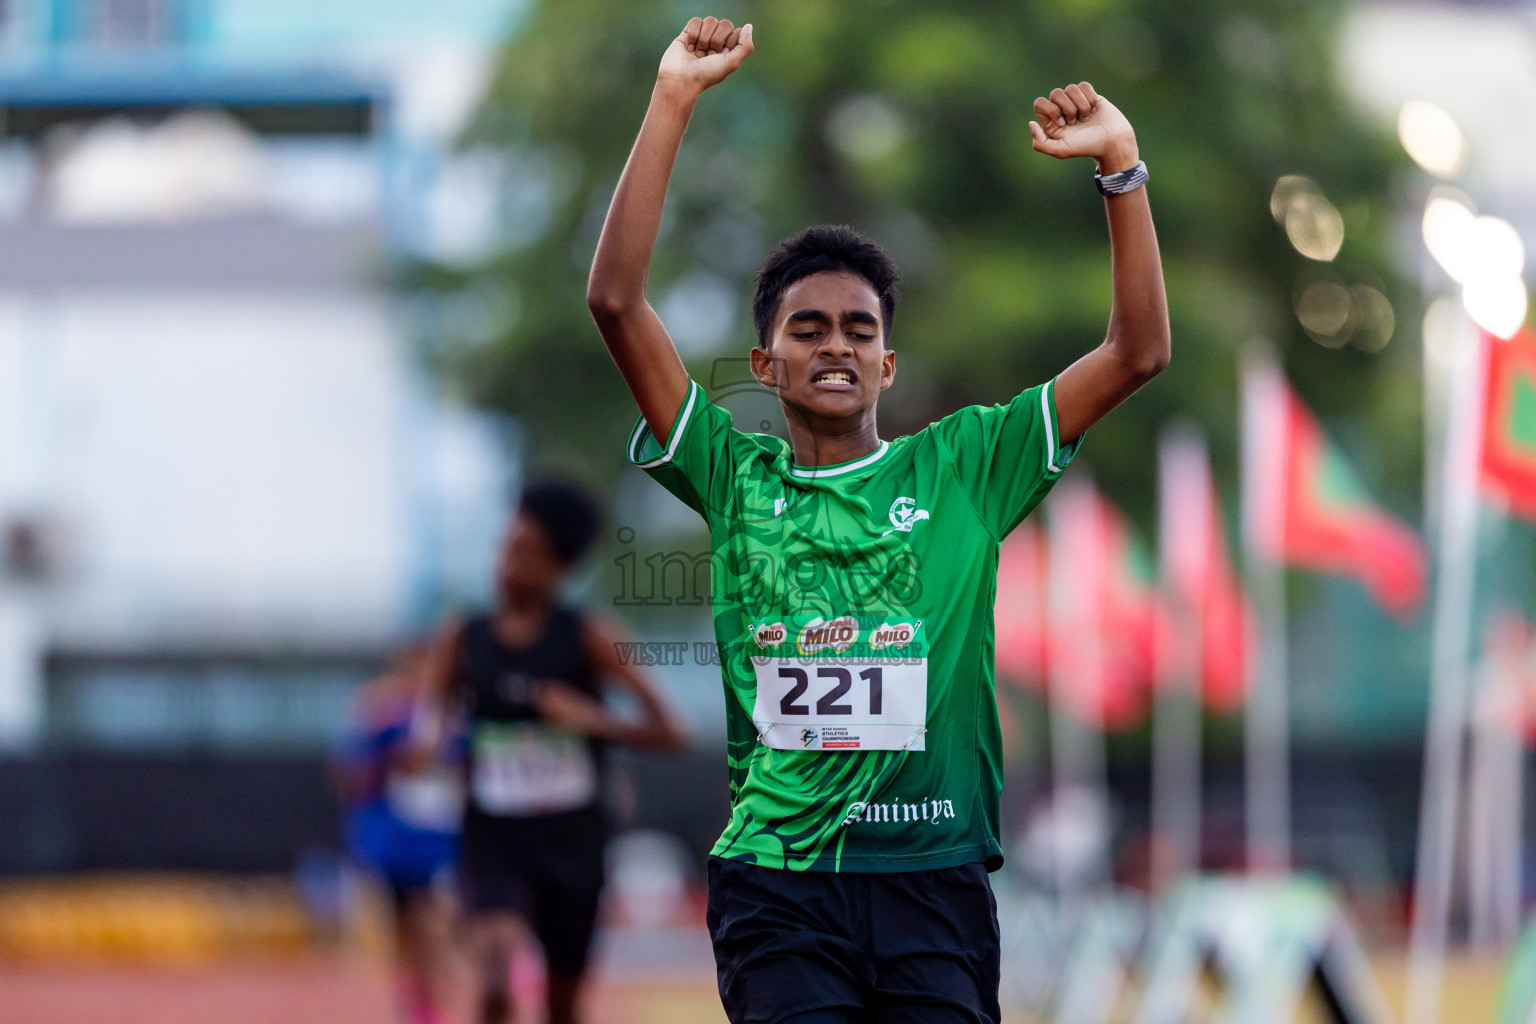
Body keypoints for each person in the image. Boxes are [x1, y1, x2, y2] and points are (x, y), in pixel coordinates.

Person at [586, 16, 1169, 1024]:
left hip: (931, 876)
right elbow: (614, 300)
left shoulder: (969, 464)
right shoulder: (731, 473)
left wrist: (1120, 167)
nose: (836, 345)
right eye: (805, 329)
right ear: (764, 367)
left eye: (860, 329)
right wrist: (672, 100)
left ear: (887, 364)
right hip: (779, 882)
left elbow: (1137, 352)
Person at [415, 480, 688, 1024]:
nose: (506, 563)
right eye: (505, 546)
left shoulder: (590, 636)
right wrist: (426, 746)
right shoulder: (461, 638)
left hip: (573, 841)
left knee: (562, 1004)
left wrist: (593, 720)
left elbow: (673, 733)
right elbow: (429, 721)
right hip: (493, 834)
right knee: (494, 972)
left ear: (560, 568)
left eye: (526, 553)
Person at [333, 644, 463, 1024]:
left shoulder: (455, 710)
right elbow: (351, 767)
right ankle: (415, 994)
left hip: (441, 832)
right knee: (402, 920)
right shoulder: (384, 710)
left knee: (434, 912)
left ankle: (435, 995)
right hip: (395, 831)